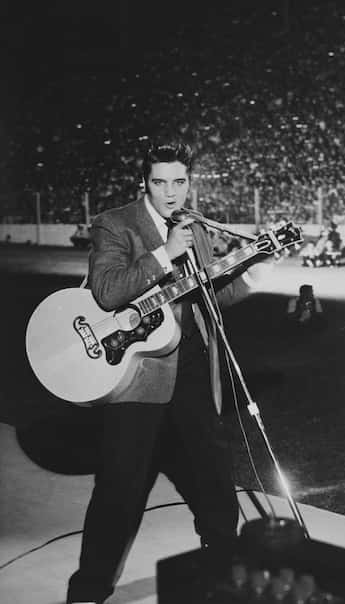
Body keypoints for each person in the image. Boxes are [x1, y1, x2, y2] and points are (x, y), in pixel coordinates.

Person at [66, 140, 267, 604]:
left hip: (192, 371)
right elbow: (108, 290)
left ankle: (221, 569)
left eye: (180, 181)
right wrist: (164, 253)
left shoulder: (194, 227)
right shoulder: (116, 223)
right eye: (160, 182)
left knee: (215, 477)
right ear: (144, 183)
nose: (171, 193)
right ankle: (88, 589)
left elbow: (210, 295)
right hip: (137, 378)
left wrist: (255, 268)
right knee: (120, 488)